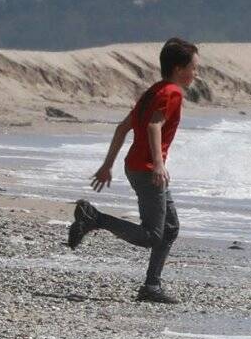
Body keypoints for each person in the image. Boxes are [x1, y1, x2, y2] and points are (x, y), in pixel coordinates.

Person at [66, 38, 198, 303]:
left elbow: (122, 128)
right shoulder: (171, 92)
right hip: (148, 170)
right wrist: (158, 164)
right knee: (152, 236)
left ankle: (151, 286)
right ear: (178, 68)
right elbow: (153, 126)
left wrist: (107, 165)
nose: (196, 73)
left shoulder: (153, 91)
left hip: (137, 167)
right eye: (194, 68)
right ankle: (95, 218)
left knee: (170, 228)